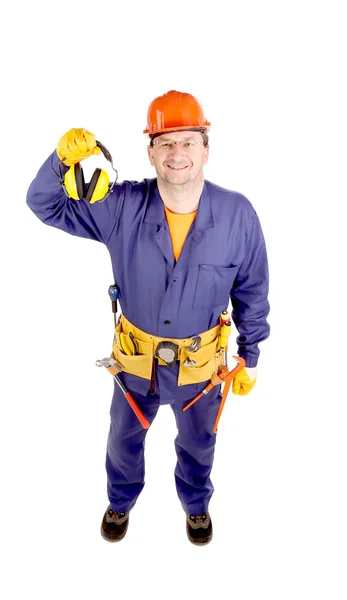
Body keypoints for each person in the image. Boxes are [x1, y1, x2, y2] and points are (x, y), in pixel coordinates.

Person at [26, 90, 270, 545]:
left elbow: (252, 289)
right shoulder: (120, 206)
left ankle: (196, 506)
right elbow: (46, 205)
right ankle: (120, 501)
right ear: (151, 151)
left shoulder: (238, 215)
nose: (178, 153)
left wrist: (250, 356)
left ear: (206, 148)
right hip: (136, 366)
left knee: (199, 445)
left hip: (201, 371)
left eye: (188, 141)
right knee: (123, 440)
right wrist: (62, 161)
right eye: (167, 142)